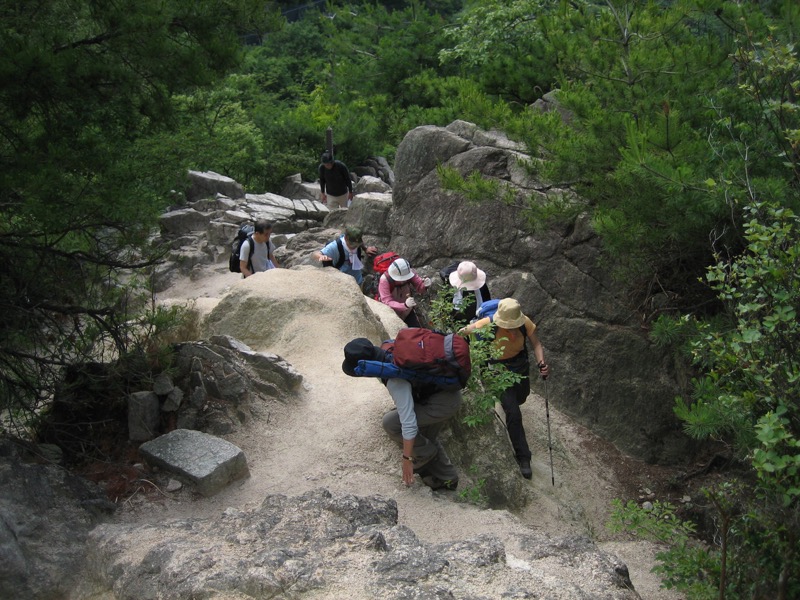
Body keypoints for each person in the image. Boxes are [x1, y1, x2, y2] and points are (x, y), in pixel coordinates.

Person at [342, 338, 461, 490]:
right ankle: (448, 479)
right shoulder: (388, 350)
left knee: (391, 423)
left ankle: (425, 454)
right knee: (425, 436)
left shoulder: (395, 379)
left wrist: (406, 458)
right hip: (443, 392)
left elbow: (408, 423)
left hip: (441, 404)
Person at [460, 298, 550, 479]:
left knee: (522, 397)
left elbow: (536, 344)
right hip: (496, 372)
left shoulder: (525, 322)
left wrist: (541, 362)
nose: (511, 329)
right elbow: (463, 332)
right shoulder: (488, 323)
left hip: (519, 367)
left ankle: (509, 406)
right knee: (514, 413)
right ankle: (523, 457)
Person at [313, 226, 377, 285]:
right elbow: (315, 254)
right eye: (352, 244)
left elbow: (360, 243)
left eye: (356, 245)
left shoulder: (357, 242)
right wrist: (321, 256)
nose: (354, 247)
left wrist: (366, 249)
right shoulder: (334, 246)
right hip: (342, 281)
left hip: (357, 279)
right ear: (346, 238)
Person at [378, 258, 432, 327]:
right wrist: (404, 305)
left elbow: (419, 287)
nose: (404, 280)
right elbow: (386, 301)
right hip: (392, 313)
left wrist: (424, 285)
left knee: (416, 330)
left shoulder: (409, 272)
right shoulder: (384, 280)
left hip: (407, 310)